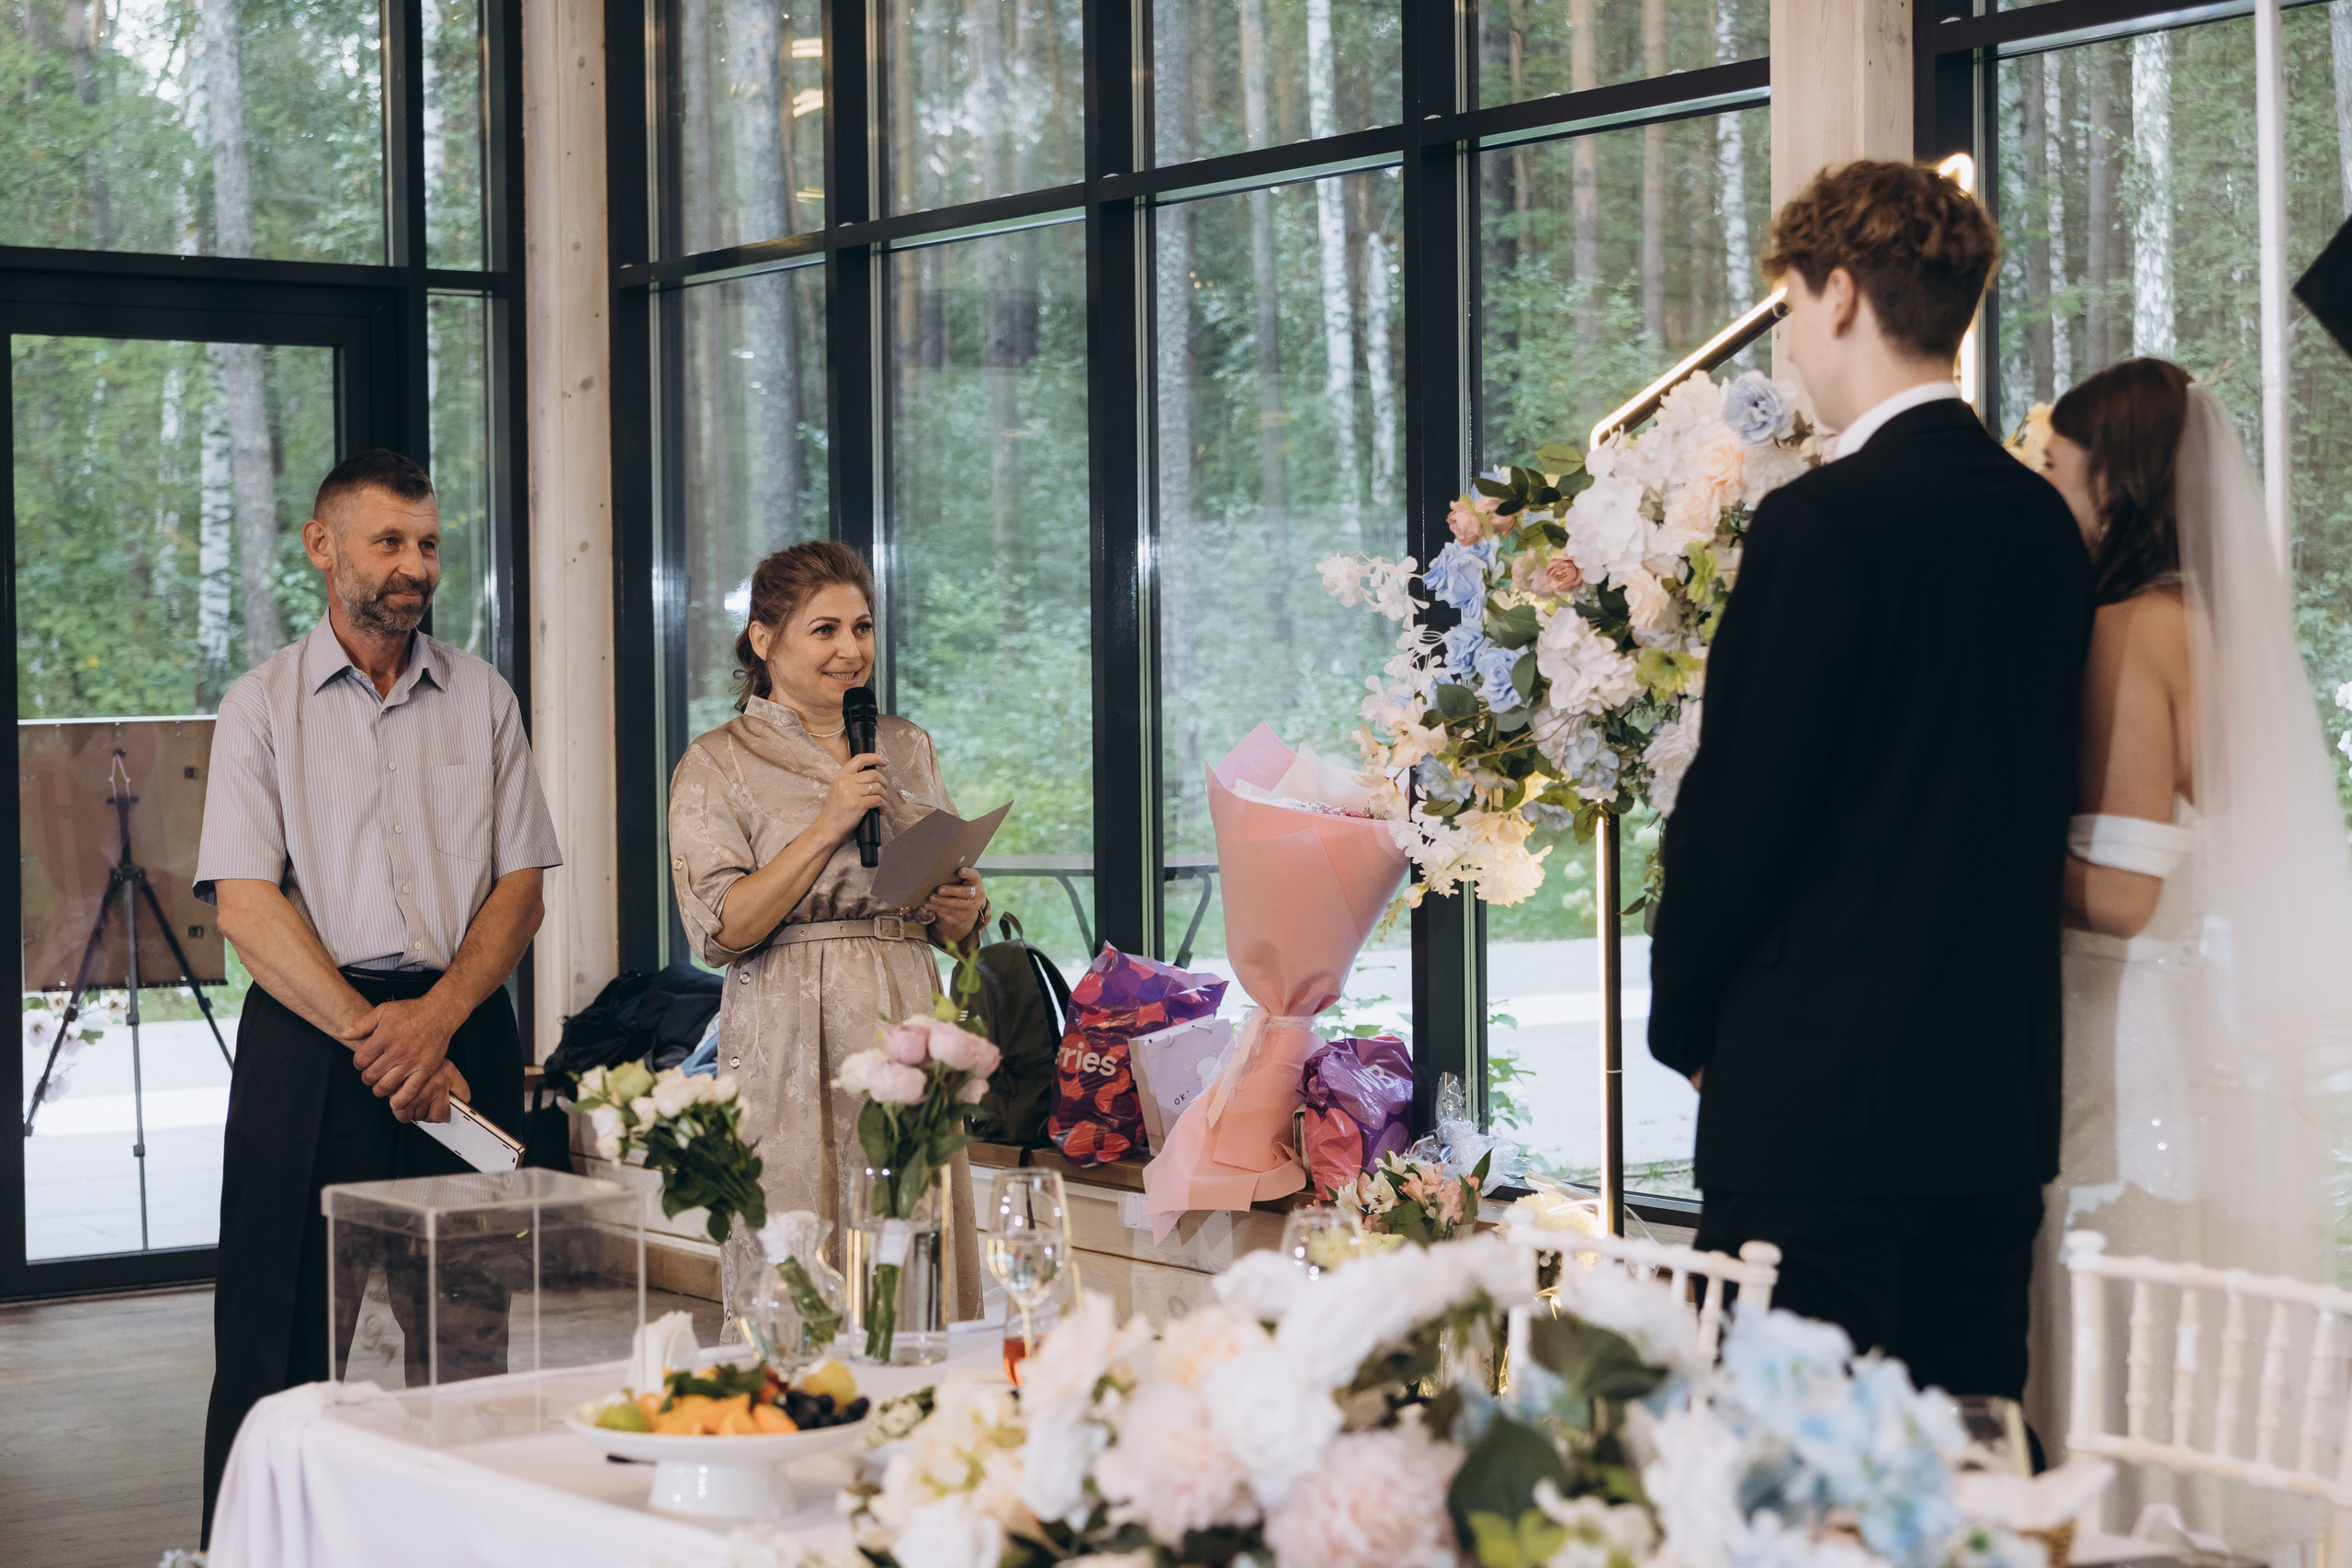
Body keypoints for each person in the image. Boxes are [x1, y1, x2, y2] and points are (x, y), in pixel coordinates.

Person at [1646, 161, 2093, 1400]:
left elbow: (1743, 816)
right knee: (1964, 1477)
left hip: (1818, 1105)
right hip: (1990, 1102)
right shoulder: (2040, 526)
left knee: (1789, 1491)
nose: (1791, 330)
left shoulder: (1825, 522)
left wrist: (1684, 1018)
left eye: (1790, 299)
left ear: (1839, 293)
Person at [195, 449, 561, 1539]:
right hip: (313, 1042)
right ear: (323, 547)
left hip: (461, 1037)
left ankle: (463, 1547)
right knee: (274, 1338)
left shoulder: (483, 696)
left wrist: (437, 1021)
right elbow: (248, 907)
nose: (415, 567)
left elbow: (522, 887)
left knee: (467, 1336)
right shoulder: (260, 706)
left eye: (430, 544)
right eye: (389, 542)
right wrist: (382, 1040)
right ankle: (252, 1553)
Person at [2024, 362, 2352, 1541]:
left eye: (2057, 473)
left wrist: (1986, 855)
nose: (2046, 495)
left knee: (2118, 1365)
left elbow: (2116, 896)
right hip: (2200, 1047)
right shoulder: (2212, 626)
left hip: (2126, 1050)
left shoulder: (2127, 632)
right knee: (2197, 1366)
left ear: (2113, 481)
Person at [666, 541, 991, 1320]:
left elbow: (951, 919)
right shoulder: (717, 762)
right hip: (786, 1028)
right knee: (797, 1251)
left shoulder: (905, 744)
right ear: (764, 638)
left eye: (864, 627)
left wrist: (962, 914)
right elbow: (719, 930)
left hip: (904, 1015)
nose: (851, 650)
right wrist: (827, 824)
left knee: (913, 1247)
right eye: (825, 630)